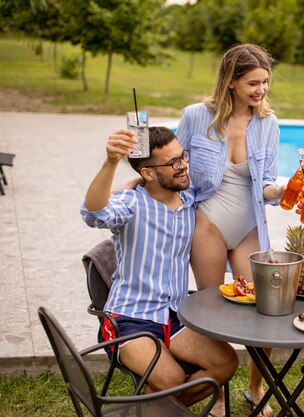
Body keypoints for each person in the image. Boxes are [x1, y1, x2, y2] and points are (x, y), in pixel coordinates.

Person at [80, 127, 238, 413]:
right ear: (149, 174)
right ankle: (160, 408)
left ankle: (147, 411)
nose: (183, 166)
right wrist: (111, 162)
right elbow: (93, 213)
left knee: (226, 363)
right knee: (172, 380)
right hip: (129, 321)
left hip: (176, 317)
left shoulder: (189, 200)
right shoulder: (131, 203)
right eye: (173, 162)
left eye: (182, 157)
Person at [175, 43, 282, 417]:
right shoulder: (195, 116)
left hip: (250, 223)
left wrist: (282, 189)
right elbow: (173, 166)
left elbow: (266, 184)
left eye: (265, 82)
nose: (261, 90)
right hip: (209, 222)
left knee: (265, 308)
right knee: (212, 312)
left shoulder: (268, 124)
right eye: (253, 82)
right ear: (232, 82)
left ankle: (255, 387)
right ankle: (218, 394)